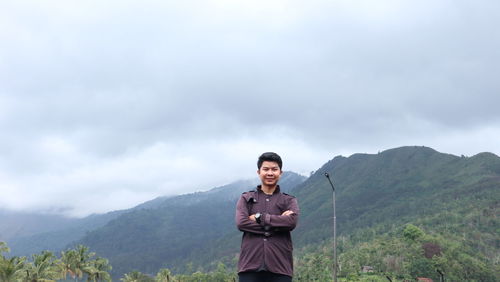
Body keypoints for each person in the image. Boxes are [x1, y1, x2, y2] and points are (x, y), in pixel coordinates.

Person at [235, 152, 300, 282]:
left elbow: (291, 222)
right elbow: (241, 223)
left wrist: (259, 218)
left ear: (280, 173)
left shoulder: (289, 200)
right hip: (250, 266)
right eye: (266, 169)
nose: (270, 173)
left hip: (280, 266)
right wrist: (278, 223)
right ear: (259, 172)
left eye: (274, 169)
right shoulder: (246, 198)